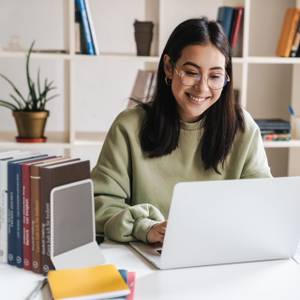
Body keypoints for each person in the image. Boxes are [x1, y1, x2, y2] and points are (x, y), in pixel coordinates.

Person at [91, 17, 272, 245]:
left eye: (215, 76)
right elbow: (101, 203)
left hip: (222, 252)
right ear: (169, 67)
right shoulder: (129, 126)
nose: (202, 87)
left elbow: (263, 205)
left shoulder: (243, 129)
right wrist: (145, 228)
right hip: (148, 252)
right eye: (191, 72)